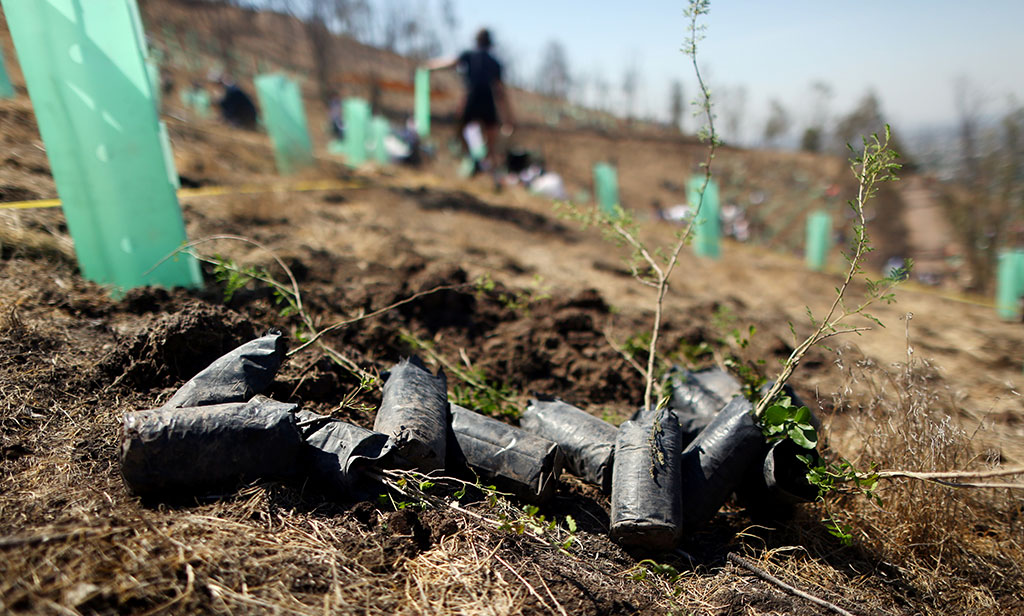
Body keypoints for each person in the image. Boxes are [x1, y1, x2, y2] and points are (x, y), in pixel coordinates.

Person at [424, 28, 515, 181]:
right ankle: (490, 173)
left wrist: (430, 66)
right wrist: (508, 118)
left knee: (461, 131)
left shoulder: (470, 56)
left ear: (477, 41)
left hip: (472, 99)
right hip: (487, 101)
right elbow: (501, 93)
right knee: (490, 143)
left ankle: (476, 160)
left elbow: (450, 63)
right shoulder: (493, 62)